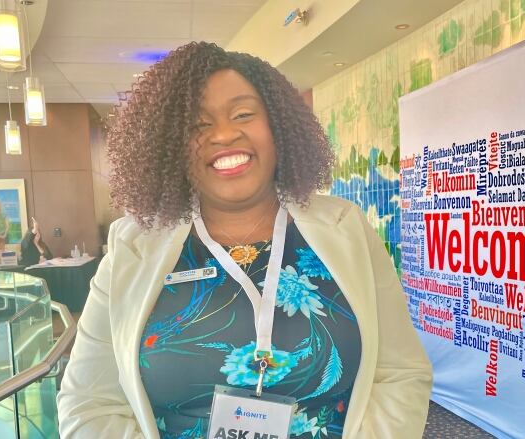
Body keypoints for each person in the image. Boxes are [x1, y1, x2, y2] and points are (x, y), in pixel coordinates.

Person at [58, 42, 432, 439]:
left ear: (278, 127)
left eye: (243, 114)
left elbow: (400, 373)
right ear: (171, 148)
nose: (224, 134)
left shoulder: (346, 228)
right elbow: (90, 402)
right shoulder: (132, 247)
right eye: (198, 125)